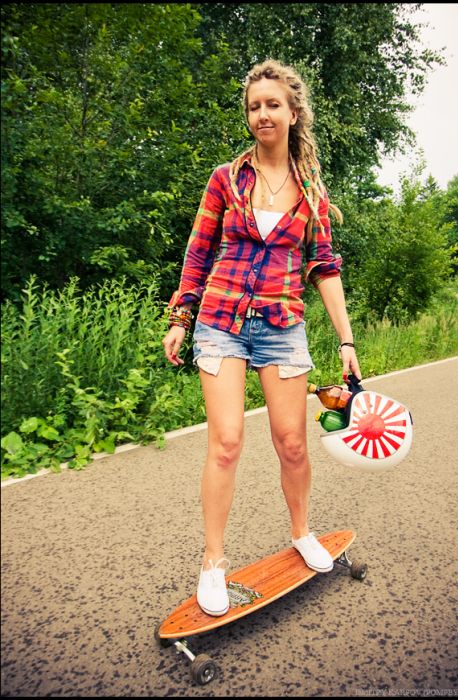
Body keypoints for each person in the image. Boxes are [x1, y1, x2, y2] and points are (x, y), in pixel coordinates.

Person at [162, 59, 361, 617]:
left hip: (282, 326)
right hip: (222, 320)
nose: (262, 114)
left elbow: (325, 266)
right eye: (254, 106)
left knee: (292, 443)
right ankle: (214, 560)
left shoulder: (311, 192)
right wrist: (181, 316)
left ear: (293, 113)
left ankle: (302, 532)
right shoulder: (227, 179)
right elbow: (199, 251)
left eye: (273, 104)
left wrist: (345, 340)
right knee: (225, 443)